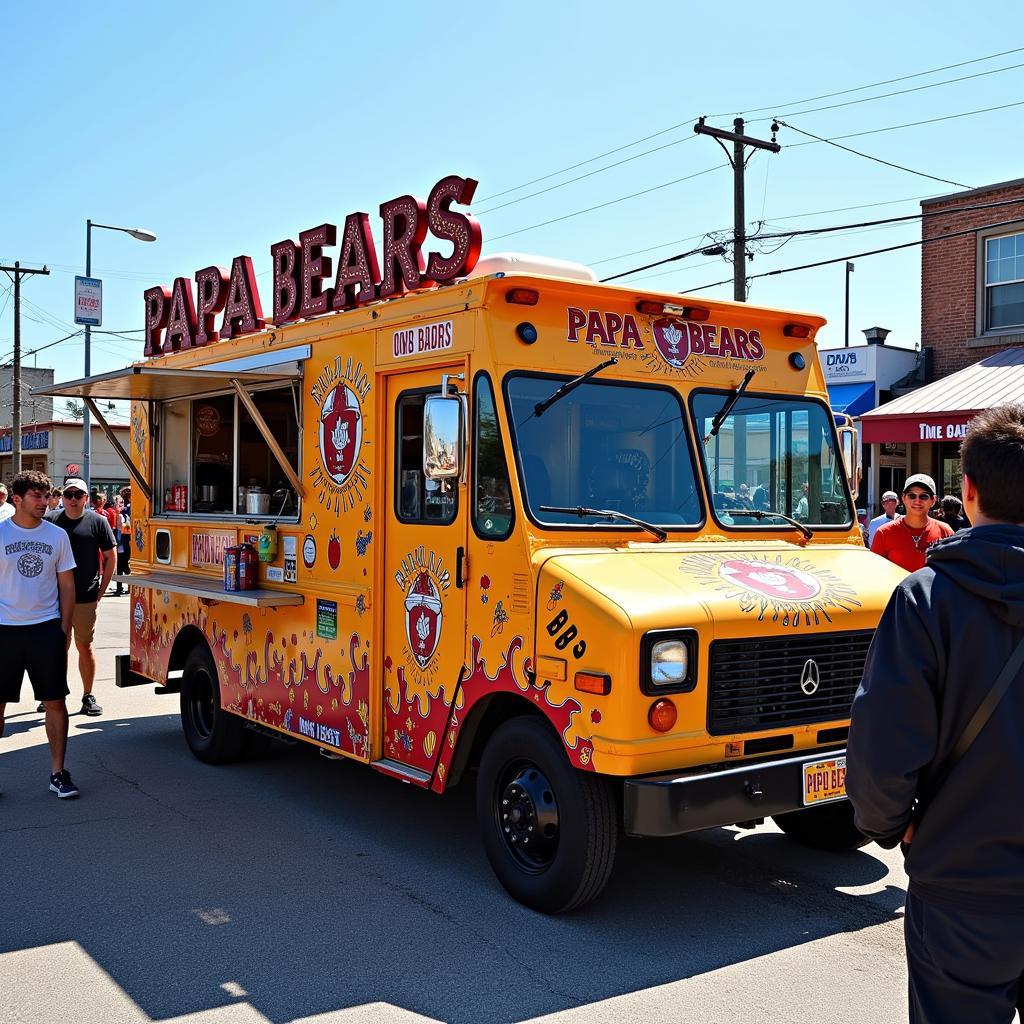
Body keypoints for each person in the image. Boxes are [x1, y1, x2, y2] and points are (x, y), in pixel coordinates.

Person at [847, 404, 1024, 1023]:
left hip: (961, 883)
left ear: (966, 492)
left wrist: (891, 826)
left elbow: (882, 751)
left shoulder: (926, 599)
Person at [0, 470, 79, 799]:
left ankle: (58, 774)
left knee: (55, 702)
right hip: (5, 630)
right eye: (37, 496)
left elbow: (67, 586)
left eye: (47, 496)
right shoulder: (0, 534)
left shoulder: (57, 536)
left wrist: (62, 631)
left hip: (46, 628)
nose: (45, 502)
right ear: (16, 499)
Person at [45, 478, 115, 717]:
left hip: (85, 597)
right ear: (62, 497)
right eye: (69, 494)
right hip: (54, 599)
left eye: (78, 495)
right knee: (57, 648)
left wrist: (101, 591)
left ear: (86, 497)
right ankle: (54, 695)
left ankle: (87, 695)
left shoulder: (98, 522)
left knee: (84, 646)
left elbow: (110, 557)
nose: (73, 499)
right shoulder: (50, 520)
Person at [870, 474, 953, 572]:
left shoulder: (946, 532)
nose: (917, 501)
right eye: (912, 496)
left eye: (924, 496)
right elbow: (874, 573)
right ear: (903, 498)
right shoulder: (883, 533)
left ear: (933, 500)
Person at [113, 494, 131, 595]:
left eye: (121, 503)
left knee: (124, 568)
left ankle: (123, 588)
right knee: (122, 568)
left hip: (122, 545)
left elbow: (122, 528)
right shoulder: (120, 514)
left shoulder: (122, 515)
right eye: (118, 503)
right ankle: (124, 587)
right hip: (122, 545)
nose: (120, 505)